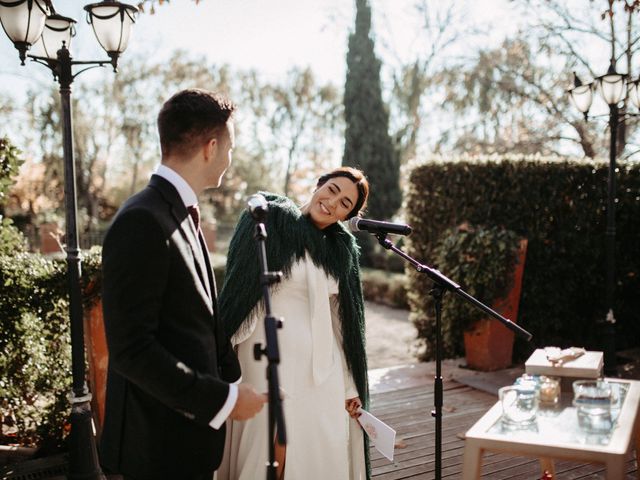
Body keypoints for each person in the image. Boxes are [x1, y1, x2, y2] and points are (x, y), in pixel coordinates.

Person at [100, 89, 267, 480]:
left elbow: (198, 316)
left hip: (186, 442)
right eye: (230, 147)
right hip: (155, 448)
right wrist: (223, 400)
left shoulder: (179, 211)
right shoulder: (142, 219)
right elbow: (132, 350)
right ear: (211, 147)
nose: (230, 157)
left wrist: (235, 378)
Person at [218, 167, 371, 480]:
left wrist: (350, 383)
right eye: (331, 189)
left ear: (347, 216)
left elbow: (344, 322)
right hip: (267, 352)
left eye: (344, 203)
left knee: (312, 441)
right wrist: (226, 354)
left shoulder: (340, 252)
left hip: (320, 367)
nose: (332, 202)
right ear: (318, 185)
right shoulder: (271, 220)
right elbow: (240, 287)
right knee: (267, 440)